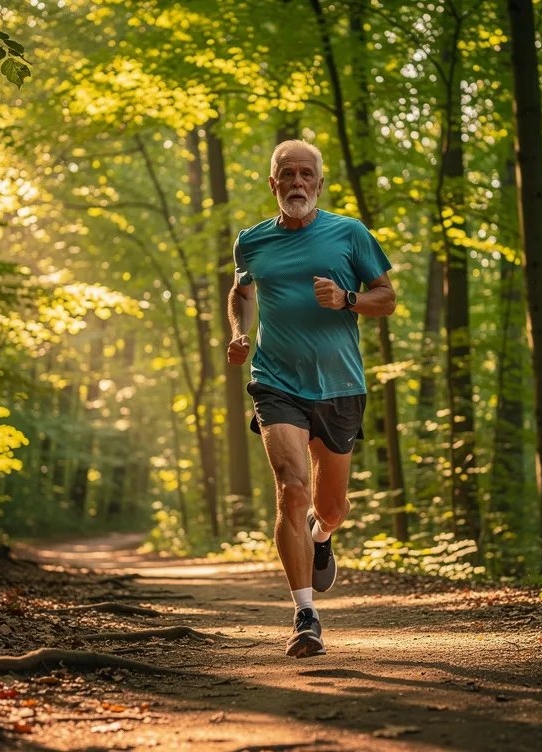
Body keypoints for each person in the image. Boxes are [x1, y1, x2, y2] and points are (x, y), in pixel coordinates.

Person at [226, 139, 396, 658]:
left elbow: (386, 298)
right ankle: (305, 616)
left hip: (341, 386)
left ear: (319, 184)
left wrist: (348, 299)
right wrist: (238, 331)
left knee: (331, 507)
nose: (297, 182)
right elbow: (242, 291)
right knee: (291, 490)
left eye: (306, 174)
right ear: (273, 182)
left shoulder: (349, 233)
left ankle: (322, 537)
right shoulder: (251, 242)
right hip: (275, 382)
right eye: (287, 174)